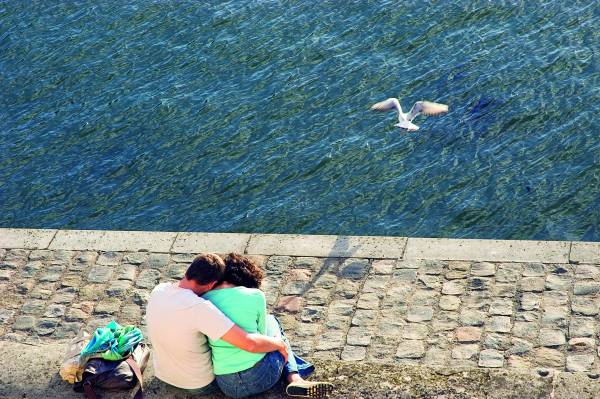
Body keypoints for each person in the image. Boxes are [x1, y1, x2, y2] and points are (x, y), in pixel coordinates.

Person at [145, 253, 289, 394]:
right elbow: (249, 343)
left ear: (189, 271)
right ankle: (294, 375)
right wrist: (279, 344)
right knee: (274, 331)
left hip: (164, 375)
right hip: (198, 384)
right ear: (212, 284)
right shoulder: (201, 308)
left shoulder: (159, 290)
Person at [202, 253, 333, 398]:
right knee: (272, 322)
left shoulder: (203, 300)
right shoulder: (255, 295)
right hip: (262, 377)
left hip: (228, 385)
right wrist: (279, 343)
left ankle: (295, 372)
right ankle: (294, 378)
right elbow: (263, 338)